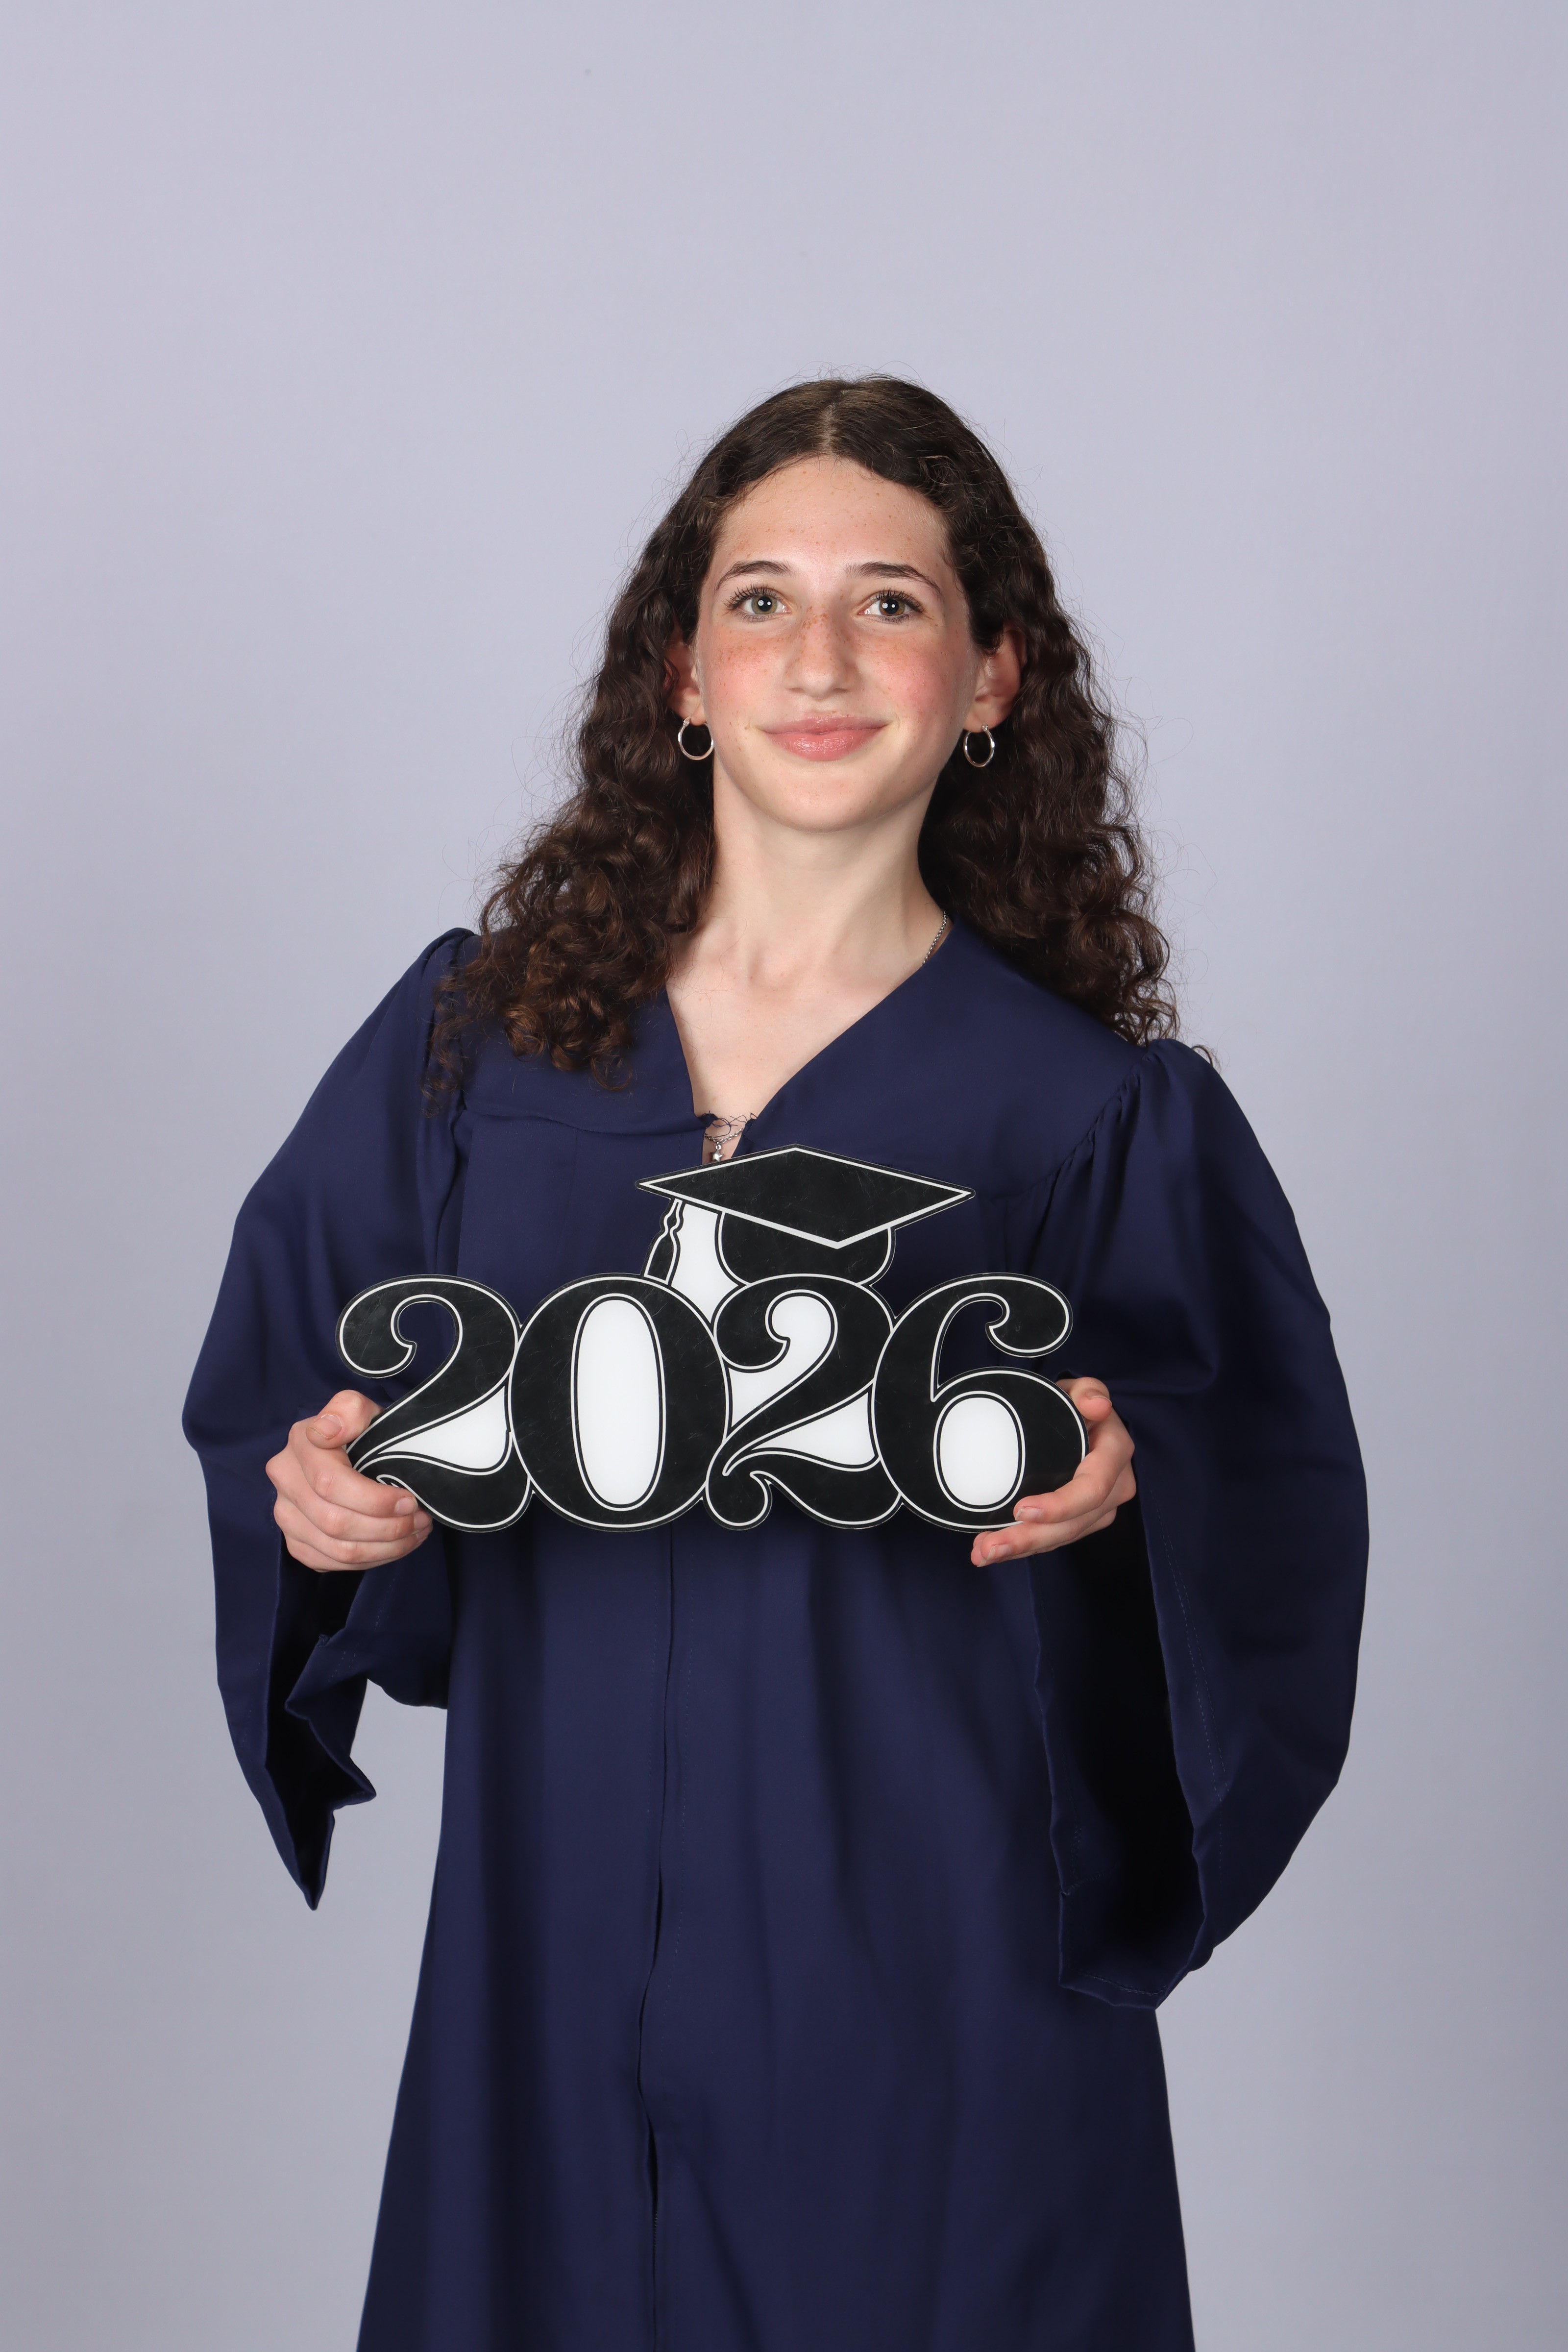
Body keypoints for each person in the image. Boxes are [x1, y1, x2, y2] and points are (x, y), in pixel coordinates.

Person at [184, 377, 1367, 2352]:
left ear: (990, 677)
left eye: (890, 602)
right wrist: (325, 1513)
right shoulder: (470, 1061)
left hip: (935, 2001)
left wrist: (1119, 1493)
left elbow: (1264, 1514)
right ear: (682, 672)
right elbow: (287, 1412)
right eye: (760, 602)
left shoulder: (1092, 1117)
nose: (819, 658)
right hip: (551, 1983)